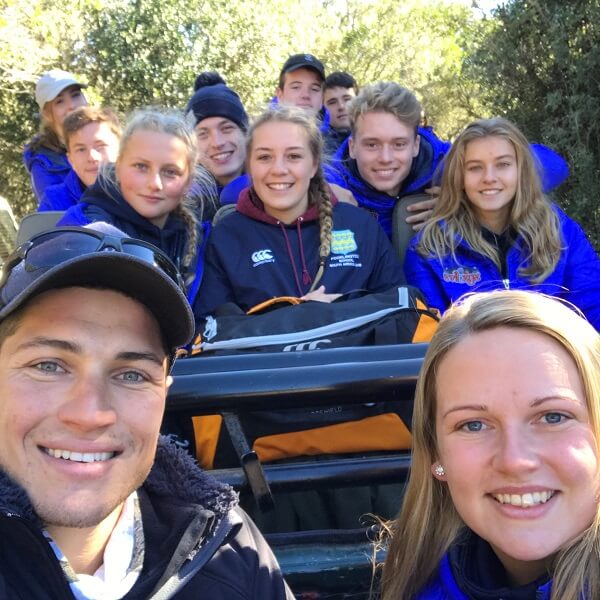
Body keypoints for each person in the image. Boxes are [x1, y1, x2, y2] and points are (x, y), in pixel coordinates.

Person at [0, 223, 293, 598]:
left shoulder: (231, 547)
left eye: (132, 375)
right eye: (48, 366)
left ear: (163, 394)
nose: (90, 414)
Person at [381, 289, 600, 600]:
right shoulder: (416, 581)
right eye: (473, 424)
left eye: (553, 417)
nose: (514, 460)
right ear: (435, 451)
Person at [194, 104, 404, 318]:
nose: (278, 170)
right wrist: (299, 313)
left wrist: (332, 313)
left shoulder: (361, 227)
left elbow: (402, 311)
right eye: (264, 157)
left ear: (314, 164)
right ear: (250, 165)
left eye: (293, 156)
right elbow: (212, 330)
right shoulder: (227, 237)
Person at [404, 117, 600, 329]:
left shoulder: (560, 231)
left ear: (521, 171)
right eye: (475, 168)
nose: (489, 177)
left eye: (503, 164)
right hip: (472, 360)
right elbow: (432, 338)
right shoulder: (429, 249)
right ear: (459, 177)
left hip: (554, 357)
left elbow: (592, 307)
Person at [59, 108, 216, 308]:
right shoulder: (83, 231)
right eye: (141, 167)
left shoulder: (202, 241)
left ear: (188, 182)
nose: (155, 183)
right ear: (118, 167)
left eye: (170, 171)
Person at [39, 106, 121, 211]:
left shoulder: (141, 189)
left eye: (100, 146)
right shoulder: (55, 203)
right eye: (81, 150)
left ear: (121, 149)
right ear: (71, 160)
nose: (92, 157)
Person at [186, 72, 250, 206]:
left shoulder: (280, 190)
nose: (217, 143)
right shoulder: (180, 205)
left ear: (245, 133)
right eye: (203, 134)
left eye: (226, 128)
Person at [24, 69, 88, 201]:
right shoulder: (42, 162)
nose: (72, 105)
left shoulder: (107, 136)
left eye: (75, 95)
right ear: (47, 114)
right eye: (60, 101)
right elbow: (57, 214)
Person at [322, 71, 358, 156]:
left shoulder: (376, 134)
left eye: (347, 99)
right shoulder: (317, 147)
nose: (341, 106)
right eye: (332, 102)